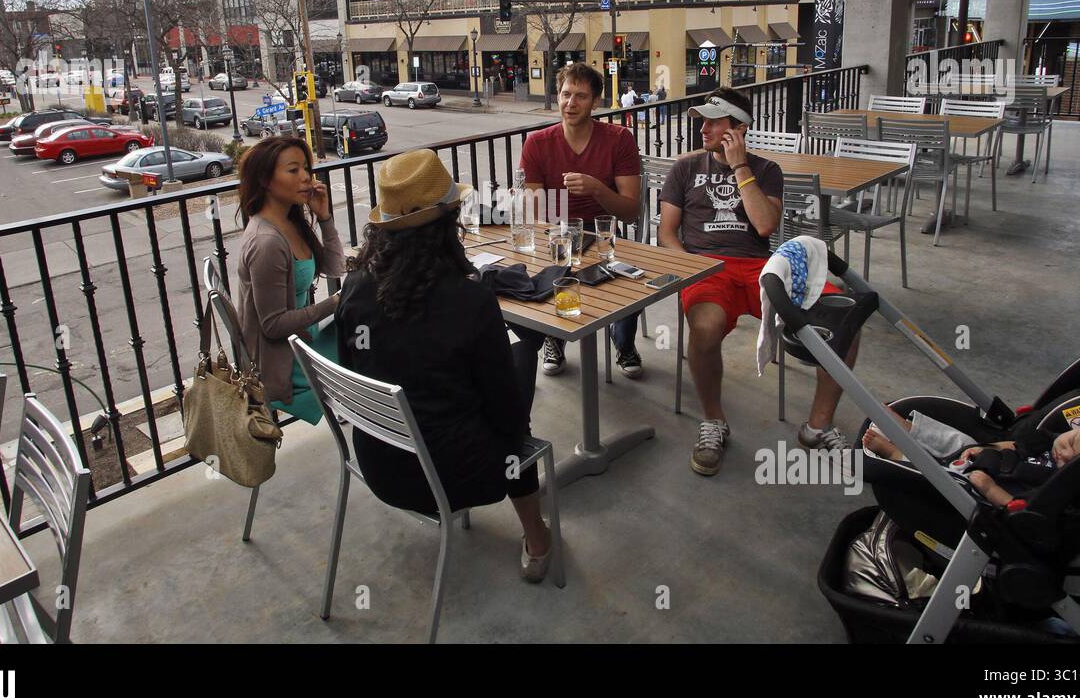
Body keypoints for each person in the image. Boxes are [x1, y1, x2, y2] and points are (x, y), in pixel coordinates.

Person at [336, 149, 556, 581]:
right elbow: (505, 414)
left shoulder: (355, 284)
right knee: (516, 406)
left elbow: (356, 368)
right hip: (452, 475)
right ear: (447, 221)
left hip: (378, 462)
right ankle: (537, 536)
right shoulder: (469, 300)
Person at [658, 89, 859, 477]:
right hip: (705, 266)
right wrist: (688, 267)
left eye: (714, 122)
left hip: (760, 266)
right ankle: (714, 421)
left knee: (845, 319)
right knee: (704, 328)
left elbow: (765, 225)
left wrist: (739, 168)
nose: (703, 128)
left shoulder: (765, 170)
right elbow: (667, 232)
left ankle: (817, 426)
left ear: (739, 129)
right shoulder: (685, 168)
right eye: (703, 121)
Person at [519, 62, 644, 380]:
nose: (570, 103)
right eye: (565, 94)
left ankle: (624, 342)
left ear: (596, 102)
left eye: (581, 96)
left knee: (639, 277)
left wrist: (597, 188)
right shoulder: (537, 143)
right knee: (545, 273)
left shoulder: (618, 139)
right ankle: (554, 337)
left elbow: (631, 212)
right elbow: (534, 211)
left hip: (605, 233)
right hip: (557, 235)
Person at [235, 136, 345, 425]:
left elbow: (335, 267)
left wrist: (324, 218)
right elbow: (272, 326)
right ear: (265, 180)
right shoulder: (266, 242)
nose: (306, 177)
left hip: (302, 338)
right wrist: (334, 303)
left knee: (369, 335)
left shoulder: (290, 220)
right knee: (372, 352)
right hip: (284, 360)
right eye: (293, 170)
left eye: (306, 169)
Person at [862, 411, 1080, 506]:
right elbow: (1015, 443)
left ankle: (895, 454)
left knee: (945, 478)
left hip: (978, 489)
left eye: (1071, 460)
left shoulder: (1057, 487)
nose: (1063, 452)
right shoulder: (1050, 441)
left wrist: (991, 490)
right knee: (960, 441)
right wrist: (989, 447)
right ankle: (908, 429)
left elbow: (1021, 507)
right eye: (1071, 441)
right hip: (984, 458)